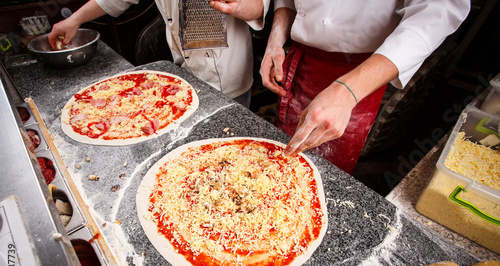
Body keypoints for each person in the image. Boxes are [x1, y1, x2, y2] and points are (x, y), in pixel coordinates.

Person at [259, 1, 471, 174]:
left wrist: (347, 90)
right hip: (302, 60)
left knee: (329, 170)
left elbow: (436, 13)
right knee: (281, 154)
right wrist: (275, 41)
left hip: (363, 71)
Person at [48, 0, 270, 108]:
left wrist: (237, 4)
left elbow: (259, 6)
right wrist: (75, 19)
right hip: (184, 72)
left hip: (229, 76)